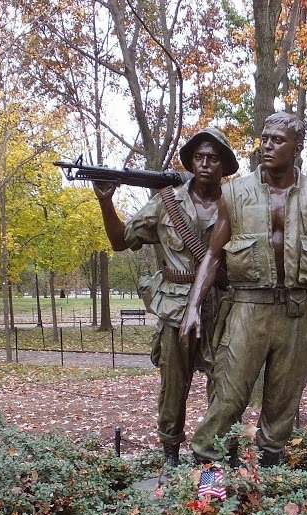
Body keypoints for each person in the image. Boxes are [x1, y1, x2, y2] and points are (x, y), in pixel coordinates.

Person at [180, 111, 307, 467]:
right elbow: (213, 255)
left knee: (284, 402)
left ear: (297, 148)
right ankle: (207, 473)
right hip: (246, 310)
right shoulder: (235, 193)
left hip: (294, 313)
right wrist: (193, 306)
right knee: (228, 396)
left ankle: (270, 479)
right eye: (264, 138)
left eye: (277, 140)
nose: (267, 146)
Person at [93, 127, 239, 466]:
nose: (204, 163)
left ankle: (218, 457)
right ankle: (171, 455)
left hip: (223, 305)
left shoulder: (238, 203)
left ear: (224, 166)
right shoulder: (166, 202)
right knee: (174, 385)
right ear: (190, 162)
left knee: (226, 385)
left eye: (213, 158)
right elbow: (119, 242)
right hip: (175, 307)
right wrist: (105, 201)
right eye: (198, 157)